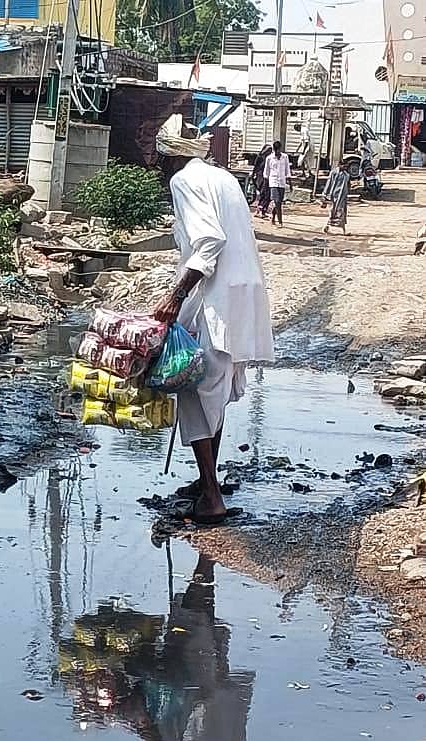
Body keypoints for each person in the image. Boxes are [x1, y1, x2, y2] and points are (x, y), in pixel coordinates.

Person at [153, 114, 275, 524]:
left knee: (193, 388)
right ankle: (207, 482)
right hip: (241, 294)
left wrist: (175, 297)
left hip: (215, 297)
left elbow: (208, 242)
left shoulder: (184, 181)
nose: (158, 165)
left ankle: (211, 495)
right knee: (214, 397)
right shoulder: (221, 177)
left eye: (159, 157)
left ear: (169, 156)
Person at [263, 140, 293, 227]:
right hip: (273, 182)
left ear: (280, 149)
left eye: (278, 150)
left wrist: (290, 183)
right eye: (275, 150)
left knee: (279, 202)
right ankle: (280, 221)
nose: (277, 152)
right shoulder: (269, 158)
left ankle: (273, 215)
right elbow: (266, 172)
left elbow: (287, 170)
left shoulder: (285, 157)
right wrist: (265, 185)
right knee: (277, 201)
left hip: (282, 182)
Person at [321, 159, 350, 235]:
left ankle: (344, 231)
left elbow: (347, 186)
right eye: (344, 165)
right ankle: (327, 226)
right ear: (339, 165)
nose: (345, 167)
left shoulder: (346, 175)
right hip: (334, 196)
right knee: (332, 213)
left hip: (342, 198)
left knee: (342, 213)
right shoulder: (334, 173)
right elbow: (329, 183)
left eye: (346, 166)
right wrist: (325, 195)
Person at [252, 143, 273, 218]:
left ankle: (263, 210)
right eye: (268, 150)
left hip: (268, 177)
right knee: (263, 193)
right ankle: (260, 210)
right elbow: (255, 167)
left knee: (268, 195)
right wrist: (253, 176)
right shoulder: (260, 157)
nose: (269, 152)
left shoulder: (271, 158)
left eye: (270, 150)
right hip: (260, 176)